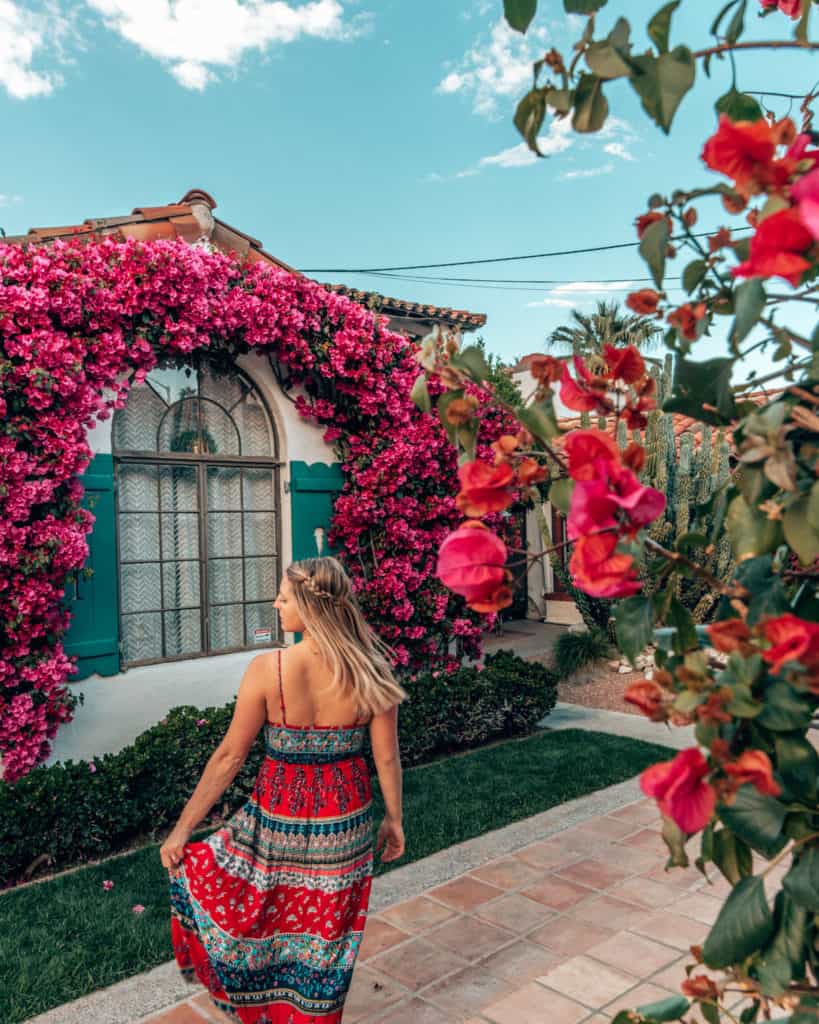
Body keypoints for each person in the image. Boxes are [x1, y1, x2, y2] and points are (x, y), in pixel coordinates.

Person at [161, 556, 407, 1023]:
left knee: (265, 926)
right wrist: (393, 820)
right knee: (326, 946)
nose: (276, 603)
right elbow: (387, 758)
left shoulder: (267, 668)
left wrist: (182, 831)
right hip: (345, 827)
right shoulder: (372, 670)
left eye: (284, 596)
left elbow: (229, 758)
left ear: (311, 608)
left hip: (277, 823)